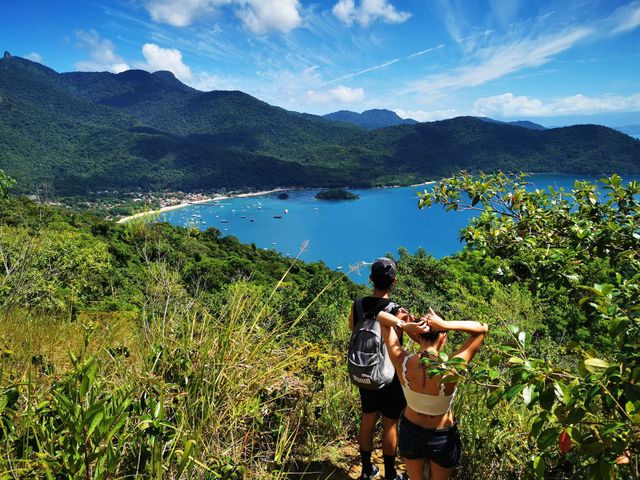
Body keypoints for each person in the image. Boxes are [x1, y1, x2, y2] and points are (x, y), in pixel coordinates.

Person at [378, 309, 488, 480]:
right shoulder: (452, 368)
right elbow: (482, 329)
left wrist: (405, 326)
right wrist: (445, 325)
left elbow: (381, 318)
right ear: (443, 337)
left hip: (410, 432)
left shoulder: (402, 361)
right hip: (442, 435)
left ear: (417, 335)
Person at [349, 257, 429, 480]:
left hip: (365, 371)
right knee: (389, 423)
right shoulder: (398, 311)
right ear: (393, 282)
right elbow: (418, 337)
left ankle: (367, 469)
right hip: (389, 375)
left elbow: (353, 330)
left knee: (367, 418)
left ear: (371, 279)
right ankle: (391, 474)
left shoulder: (357, 305)